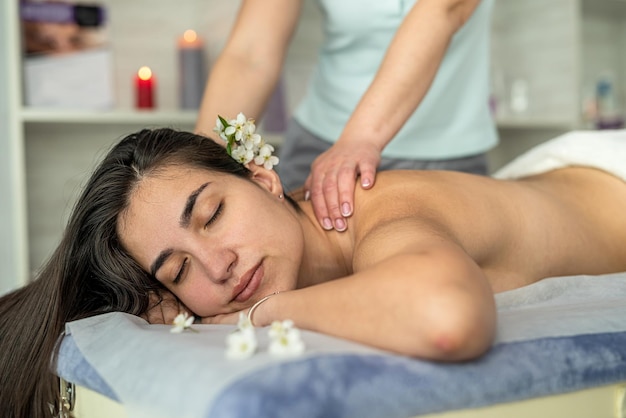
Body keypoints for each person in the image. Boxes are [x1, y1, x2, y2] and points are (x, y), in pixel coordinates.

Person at [3, 127, 626, 418]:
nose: (218, 265)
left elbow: (446, 318)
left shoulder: (386, 212)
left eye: (214, 214)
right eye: (179, 268)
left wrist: (257, 312)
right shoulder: (297, 261)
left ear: (265, 180)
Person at [194, 0, 499, 233]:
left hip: (444, 154)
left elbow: (445, 10)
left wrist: (360, 138)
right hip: (321, 149)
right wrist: (197, 166)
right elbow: (251, 54)